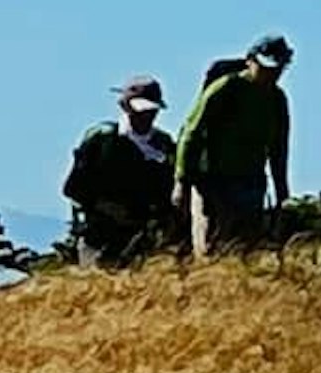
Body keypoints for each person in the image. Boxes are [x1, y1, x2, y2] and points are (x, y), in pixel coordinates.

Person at [174, 36, 294, 254]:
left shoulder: (277, 99)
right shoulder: (226, 87)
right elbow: (192, 132)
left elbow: (279, 148)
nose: (271, 73)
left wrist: (282, 193)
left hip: (251, 183)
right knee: (211, 246)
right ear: (250, 60)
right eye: (265, 67)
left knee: (246, 248)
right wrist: (182, 182)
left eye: (277, 68)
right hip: (212, 181)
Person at [61, 77, 180, 265]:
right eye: (141, 110)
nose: (146, 116)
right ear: (125, 107)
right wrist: (106, 208)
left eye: (151, 111)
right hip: (98, 235)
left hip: (144, 238)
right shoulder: (102, 139)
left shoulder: (164, 144)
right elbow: (74, 188)